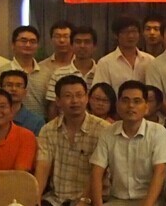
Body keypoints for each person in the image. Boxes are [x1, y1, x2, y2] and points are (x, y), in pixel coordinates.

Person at [90, 81, 166, 206]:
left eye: (137, 101)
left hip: (150, 201)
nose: (130, 106)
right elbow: (97, 171)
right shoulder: (108, 132)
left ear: (146, 106)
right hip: (117, 201)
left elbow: (160, 172)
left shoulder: (158, 132)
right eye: (125, 101)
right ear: (117, 105)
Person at [35, 75, 110, 205]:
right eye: (68, 96)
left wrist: (84, 200)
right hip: (56, 199)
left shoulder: (103, 129)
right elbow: (43, 167)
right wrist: (35, 198)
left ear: (87, 98)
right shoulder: (48, 130)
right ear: (58, 101)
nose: (75, 101)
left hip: (92, 199)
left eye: (79, 95)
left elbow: (99, 173)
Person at [0, 25, 52, 120]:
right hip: (8, 123)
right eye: (23, 41)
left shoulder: (46, 73)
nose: (28, 45)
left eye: (33, 41)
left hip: (39, 124)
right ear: (13, 44)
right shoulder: (1, 72)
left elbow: (50, 104)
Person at [47, 25, 101, 118]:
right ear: (71, 45)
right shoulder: (58, 74)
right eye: (78, 42)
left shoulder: (101, 72)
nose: (82, 46)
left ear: (94, 46)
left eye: (87, 42)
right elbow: (53, 107)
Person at [93, 16, 156, 90]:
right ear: (116, 35)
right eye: (126, 32)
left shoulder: (150, 60)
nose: (131, 36)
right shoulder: (105, 63)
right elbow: (100, 91)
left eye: (134, 31)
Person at [36, 21, 76, 120]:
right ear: (51, 40)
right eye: (57, 36)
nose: (61, 40)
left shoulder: (80, 66)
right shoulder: (41, 67)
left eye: (66, 36)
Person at [0, 69, 46, 135]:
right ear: (0, 90)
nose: (14, 89)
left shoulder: (36, 122)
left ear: (25, 92)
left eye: (18, 86)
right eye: (9, 85)